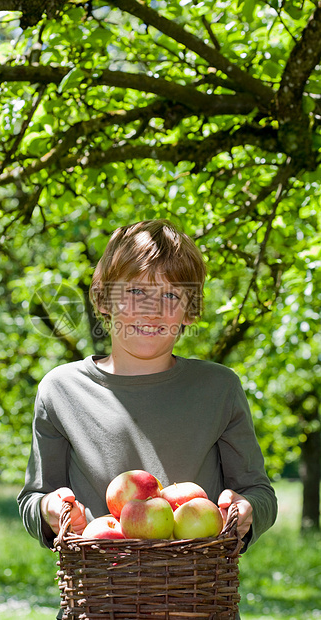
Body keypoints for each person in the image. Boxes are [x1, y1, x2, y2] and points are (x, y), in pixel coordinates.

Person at [17, 219, 277, 613]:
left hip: (198, 603)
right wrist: (50, 510)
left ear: (190, 311)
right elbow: (33, 498)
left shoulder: (219, 388)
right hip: (100, 603)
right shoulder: (61, 389)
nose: (152, 309)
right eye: (136, 291)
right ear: (104, 300)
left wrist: (247, 512)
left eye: (172, 295)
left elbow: (259, 491)